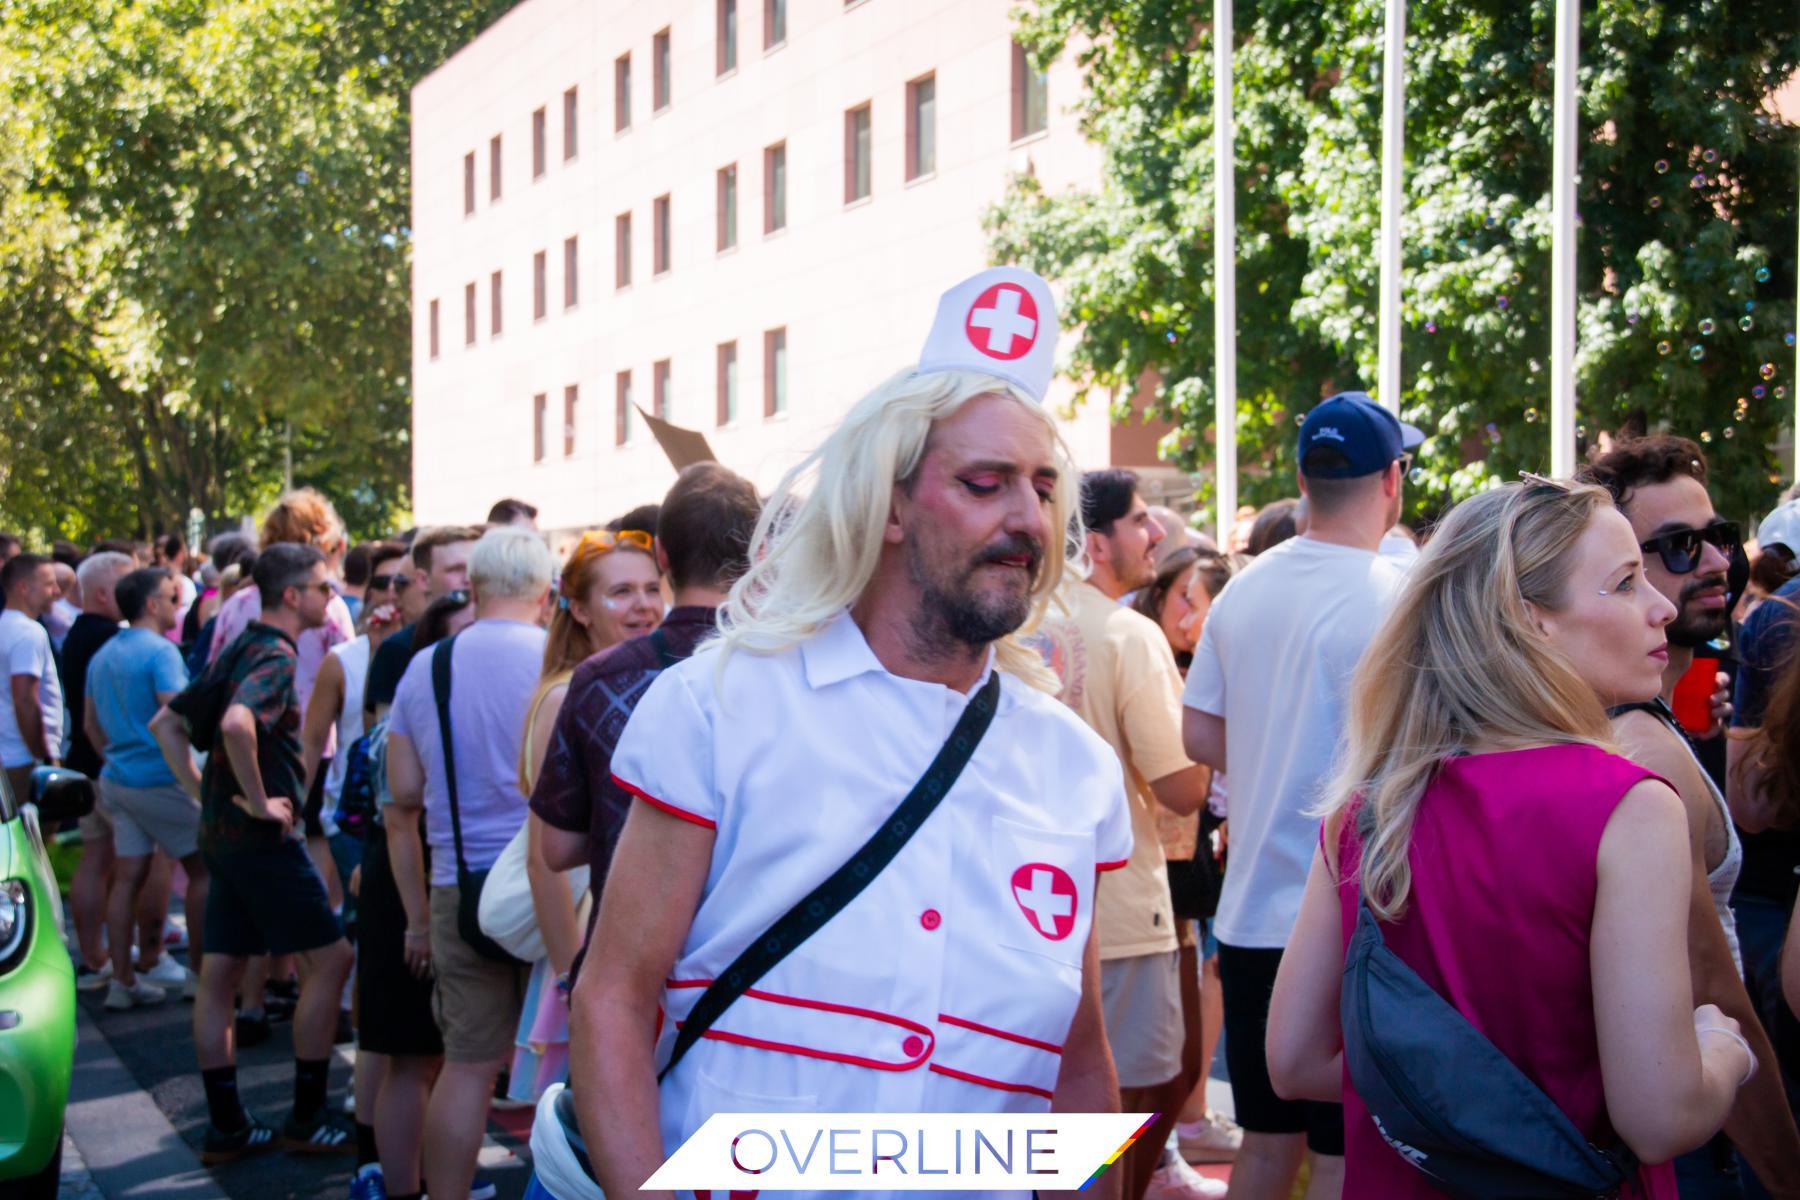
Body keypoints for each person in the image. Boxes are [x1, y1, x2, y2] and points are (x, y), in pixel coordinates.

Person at [569, 267, 1130, 1200]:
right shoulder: (720, 705)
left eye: (1042, 487)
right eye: (986, 483)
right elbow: (614, 998)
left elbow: (1076, 1069)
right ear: (892, 504)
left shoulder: (1074, 767)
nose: (1028, 518)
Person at [1265, 478, 1754, 1199]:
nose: (1660, 605)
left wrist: (1465, 1097)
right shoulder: (1629, 808)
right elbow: (1659, 1115)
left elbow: (1297, 1060)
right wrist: (1720, 1049)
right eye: (1623, 584)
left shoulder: (1372, 806)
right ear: (1529, 622)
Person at [1182, 390, 1421, 1200]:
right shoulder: (1398, 594)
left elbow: (1200, 737)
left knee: (1266, 1142)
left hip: (1252, 913)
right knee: (1345, 1149)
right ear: (1393, 479)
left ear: (1302, 476)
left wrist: (1272, 752)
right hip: (1351, 914)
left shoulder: (1244, 590)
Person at [1579, 436, 1800, 1197]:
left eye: (1717, 535)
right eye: (1675, 546)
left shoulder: (1643, 718)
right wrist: (1785, 1167)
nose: (1712, 562)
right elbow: (1713, 985)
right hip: (1701, 1137)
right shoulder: (1639, 745)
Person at [1035, 470, 1220, 1200]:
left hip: (1026, 907)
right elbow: (1181, 784)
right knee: (1134, 1090)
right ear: (1100, 541)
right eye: (1141, 520)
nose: (1156, 535)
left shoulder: (1016, 621)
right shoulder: (1127, 635)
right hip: (1118, 905)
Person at [150, 543, 357, 1161]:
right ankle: (306, 1116)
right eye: (323, 587)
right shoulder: (271, 652)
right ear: (292, 596)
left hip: (223, 838)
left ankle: (228, 1127)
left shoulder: (236, 642)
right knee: (334, 959)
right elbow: (238, 724)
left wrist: (205, 794)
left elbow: (167, 724)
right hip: (263, 841)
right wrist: (263, 799)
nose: (333, 596)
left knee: (220, 975)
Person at [531, 463, 761, 982]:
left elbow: (557, 847)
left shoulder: (598, 678)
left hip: (629, 966)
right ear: (758, 553)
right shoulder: (798, 670)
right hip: (746, 976)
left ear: (661, 556)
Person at [385, 527, 551, 1200]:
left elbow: (401, 793)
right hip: (550, 888)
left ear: (472, 587)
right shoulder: (558, 660)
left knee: (467, 1066)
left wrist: (417, 918)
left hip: (461, 885)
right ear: (546, 590)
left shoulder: (427, 667)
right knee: (559, 1068)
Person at [509, 526, 664, 1104]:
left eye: (652, 587)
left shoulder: (632, 679)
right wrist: (573, 974)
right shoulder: (566, 694)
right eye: (621, 592)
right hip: (588, 953)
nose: (644, 604)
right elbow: (543, 860)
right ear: (577, 608)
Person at [352, 589, 475, 1200]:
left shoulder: (464, 706)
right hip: (407, 893)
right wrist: (419, 923)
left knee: (442, 1057)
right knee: (409, 1055)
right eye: (465, 635)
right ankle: (405, 1188)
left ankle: (435, 1180)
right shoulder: (411, 710)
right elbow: (398, 821)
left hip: (432, 888)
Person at [1130, 547, 1243, 1168]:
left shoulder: (1208, 664)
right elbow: (1185, 783)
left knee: (1190, 995)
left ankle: (1177, 1135)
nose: (1186, 615)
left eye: (1197, 603)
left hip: (1194, 854)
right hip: (1156, 860)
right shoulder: (1150, 658)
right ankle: (1172, 1139)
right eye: (1181, 597)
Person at [86, 567, 208, 1010]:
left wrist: (117, 757)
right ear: (152, 604)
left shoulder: (104, 654)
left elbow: (89, 723)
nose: (179, 606)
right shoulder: (161, 653)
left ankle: (123, 981)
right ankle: (199, 974)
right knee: (204, 870)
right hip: (157, 778)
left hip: (118, 777)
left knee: (128, 877)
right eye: (173, 597)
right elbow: (175, 718)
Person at [62, 550, 160, 991]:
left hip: (93, 762)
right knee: (130, 866)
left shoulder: (83, 635)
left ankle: (99, 956)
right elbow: (94, 716)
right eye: (126, 583)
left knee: (98, 858)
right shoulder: (111, 641)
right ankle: (133, 960)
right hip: (113, 765)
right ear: (104, 592)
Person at [363, 525, 484, 721]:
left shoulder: (494, 639)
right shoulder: (397, 650)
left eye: (475, 569)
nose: (468, 579)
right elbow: (383, 741)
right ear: (423, 580)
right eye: (455, 569)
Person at [0, 554, 63, 803]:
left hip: (12, 751)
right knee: (29, 836)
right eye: (49, 584)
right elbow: (25, 698)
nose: (56, 591)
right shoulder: (28, 632)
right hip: (22, 757)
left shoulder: (7, 625)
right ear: (23, 587)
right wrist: (43, 755)